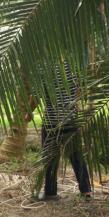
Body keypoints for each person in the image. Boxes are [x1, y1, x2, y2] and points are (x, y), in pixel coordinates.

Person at [39, 62, 92, 200]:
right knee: (77, 157)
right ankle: (86, 191)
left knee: (50, 159)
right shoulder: (72, 64)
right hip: (70, 120)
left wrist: (28, 113)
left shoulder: (42, 67)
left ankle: (50, 193)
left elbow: (37, 95)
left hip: (51, 122)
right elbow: (81, 89)